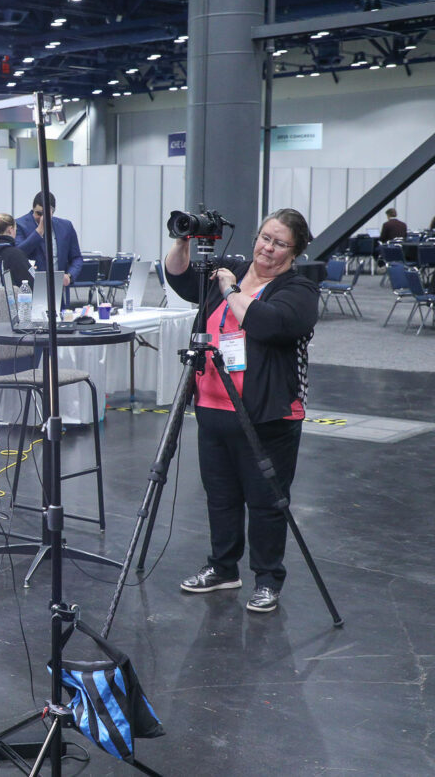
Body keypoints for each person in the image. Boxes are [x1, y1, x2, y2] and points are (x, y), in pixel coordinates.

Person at [165, 208, 317, 614]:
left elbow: (269, 323)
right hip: (213, 404)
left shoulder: (299, 289)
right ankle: (223, 566)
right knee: (221, 495)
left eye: (280, 242)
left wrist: (232, 291)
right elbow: (180, 279)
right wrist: (183, 239)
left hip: (267, 413)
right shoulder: (232, 267)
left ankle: (268, 579)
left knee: (267, 500)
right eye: (265, 237)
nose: (268, 247)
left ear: (296, 249)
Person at [14, 191, 83, 287]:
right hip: (30, 287)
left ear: (52, 212)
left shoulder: (65, 226)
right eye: (38, 213)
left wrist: (69, 276)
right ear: (33, 209)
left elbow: (77, 258)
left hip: (57, 287)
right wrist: (39, 230)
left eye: (45, 214)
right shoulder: (19, 225)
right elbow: (19, 254)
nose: (41, 218)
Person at [0, 213, 31, 288]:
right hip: (9, 299)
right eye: (15, 230)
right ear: (10, 230)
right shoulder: (15, 255)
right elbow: (31, 283)